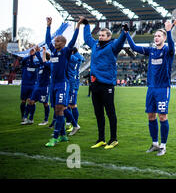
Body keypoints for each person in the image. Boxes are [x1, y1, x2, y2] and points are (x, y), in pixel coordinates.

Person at [125, 20, 175, 156]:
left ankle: (163, 146)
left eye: (159, 36)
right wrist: (126, 33)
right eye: (155, 36)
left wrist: (169, 31)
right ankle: (154, 144)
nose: (156, 38)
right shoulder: (151, 50)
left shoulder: (167, 51)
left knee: (162, 117)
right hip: (151, 88)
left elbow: (172, 46)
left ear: (164, 38)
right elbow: (134, 48)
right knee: (151, 116)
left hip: (163, 88)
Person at [80, 16, 126, 149]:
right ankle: (101, 139)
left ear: (108, 36)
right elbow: (87, 38)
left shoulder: (112, 46)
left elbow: (120, 41)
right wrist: (87, 24)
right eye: (99, 35)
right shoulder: (95, 45)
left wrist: (124, 32)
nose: (100, 37)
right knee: (98, 113)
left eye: (102, 35)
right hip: (95, 84)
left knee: (110, 112)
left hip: (107, 85)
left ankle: (113, 139)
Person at [44, 17, 81, 147]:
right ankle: (63, 135)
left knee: (60, 109)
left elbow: (73, 40)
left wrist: (78, 27)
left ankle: (54, 137)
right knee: (56, 110)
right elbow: (47, 40)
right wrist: (48, 26)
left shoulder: (66, 51)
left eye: (58, 41)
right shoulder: (53, 52)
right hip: (52, 84)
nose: (55, 42)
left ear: (63, 43)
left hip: (62, 84)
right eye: (55, 40)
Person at [25, 46, 51, 126]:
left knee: (45, 103)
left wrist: (38, 52)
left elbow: (42, 61)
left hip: (44, 87)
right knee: (31, 101)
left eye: (43, 56)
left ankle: (46, 120)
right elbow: (32, 64)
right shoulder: (40, 65)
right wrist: (33, 54)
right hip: (37, 86)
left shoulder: (48, 65)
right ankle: (29, 118)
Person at [65, 47, 85, 135]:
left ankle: (74, 125)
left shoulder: (72, 58)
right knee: (68, 104)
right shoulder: (79, 57)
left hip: (73, 82)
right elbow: (83, 59)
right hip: (73, 80)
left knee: (72, 104)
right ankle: (70, 123)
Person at [20, 46, 41, 124]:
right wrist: (31, 55)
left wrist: (35, 54)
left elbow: (40, 62)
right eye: (30, 52)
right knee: (23, 101)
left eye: (33, 52)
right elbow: (24, 60)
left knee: (31, 101)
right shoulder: (25, 61)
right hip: (25, 84)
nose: (31, 53)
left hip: (33, 85)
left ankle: (31, 117)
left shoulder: (36, 62)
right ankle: (23, 116)